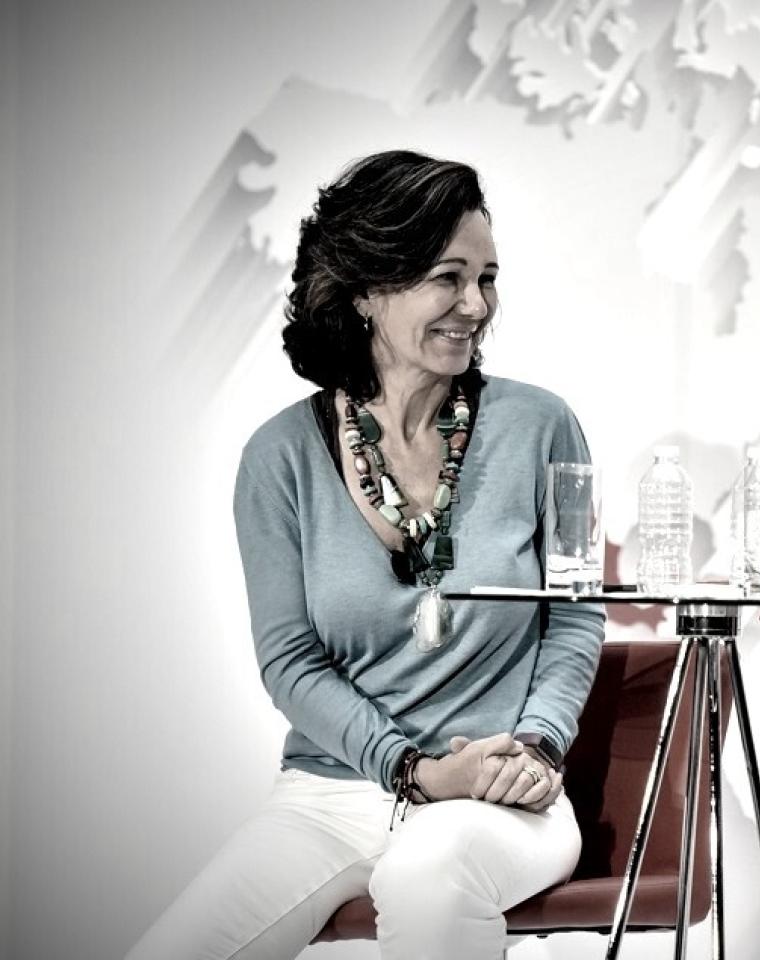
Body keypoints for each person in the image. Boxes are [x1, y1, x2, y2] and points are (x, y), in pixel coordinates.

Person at [128, 150, 606, 959]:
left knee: (427, 878)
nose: (475, 305)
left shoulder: (545, 427)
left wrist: (535, 747)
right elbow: (290, 661)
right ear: (366, 290)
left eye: (487, 279)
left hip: (498, 796)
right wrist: (412, 769)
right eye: (447, 278)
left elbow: (575, 616)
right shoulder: (277, 458)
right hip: (332, 795)